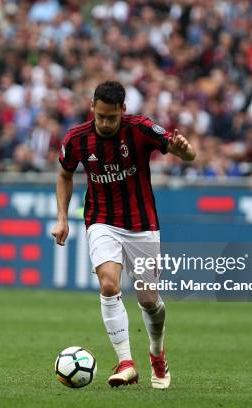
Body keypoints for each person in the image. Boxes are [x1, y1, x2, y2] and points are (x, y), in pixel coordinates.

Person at [51, 81, 196, 389]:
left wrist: (186, 152)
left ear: (123, 111)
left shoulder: (140, 129)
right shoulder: (77, 139)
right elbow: (64, 173)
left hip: (142, 226)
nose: (104, 123)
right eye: (100, 116)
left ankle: (157, 353)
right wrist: (62, 217)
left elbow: (186, 155)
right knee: (108, 284)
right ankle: (126, 362)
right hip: (101, 221)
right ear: (92, 107)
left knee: (148, 299)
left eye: (111, 117)